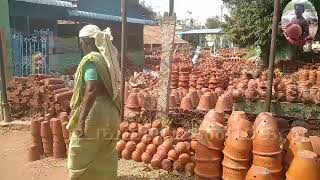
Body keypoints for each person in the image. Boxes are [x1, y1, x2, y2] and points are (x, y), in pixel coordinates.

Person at [66, 24, 121, 180]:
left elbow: (91, 89)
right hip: (110, 112)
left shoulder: (91, 60)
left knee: (79, 152)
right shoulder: (106, 59)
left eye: (81, 42)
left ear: (87, 42)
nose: (81, 46)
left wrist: (81, 121)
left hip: (95, 113)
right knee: (105, 153)